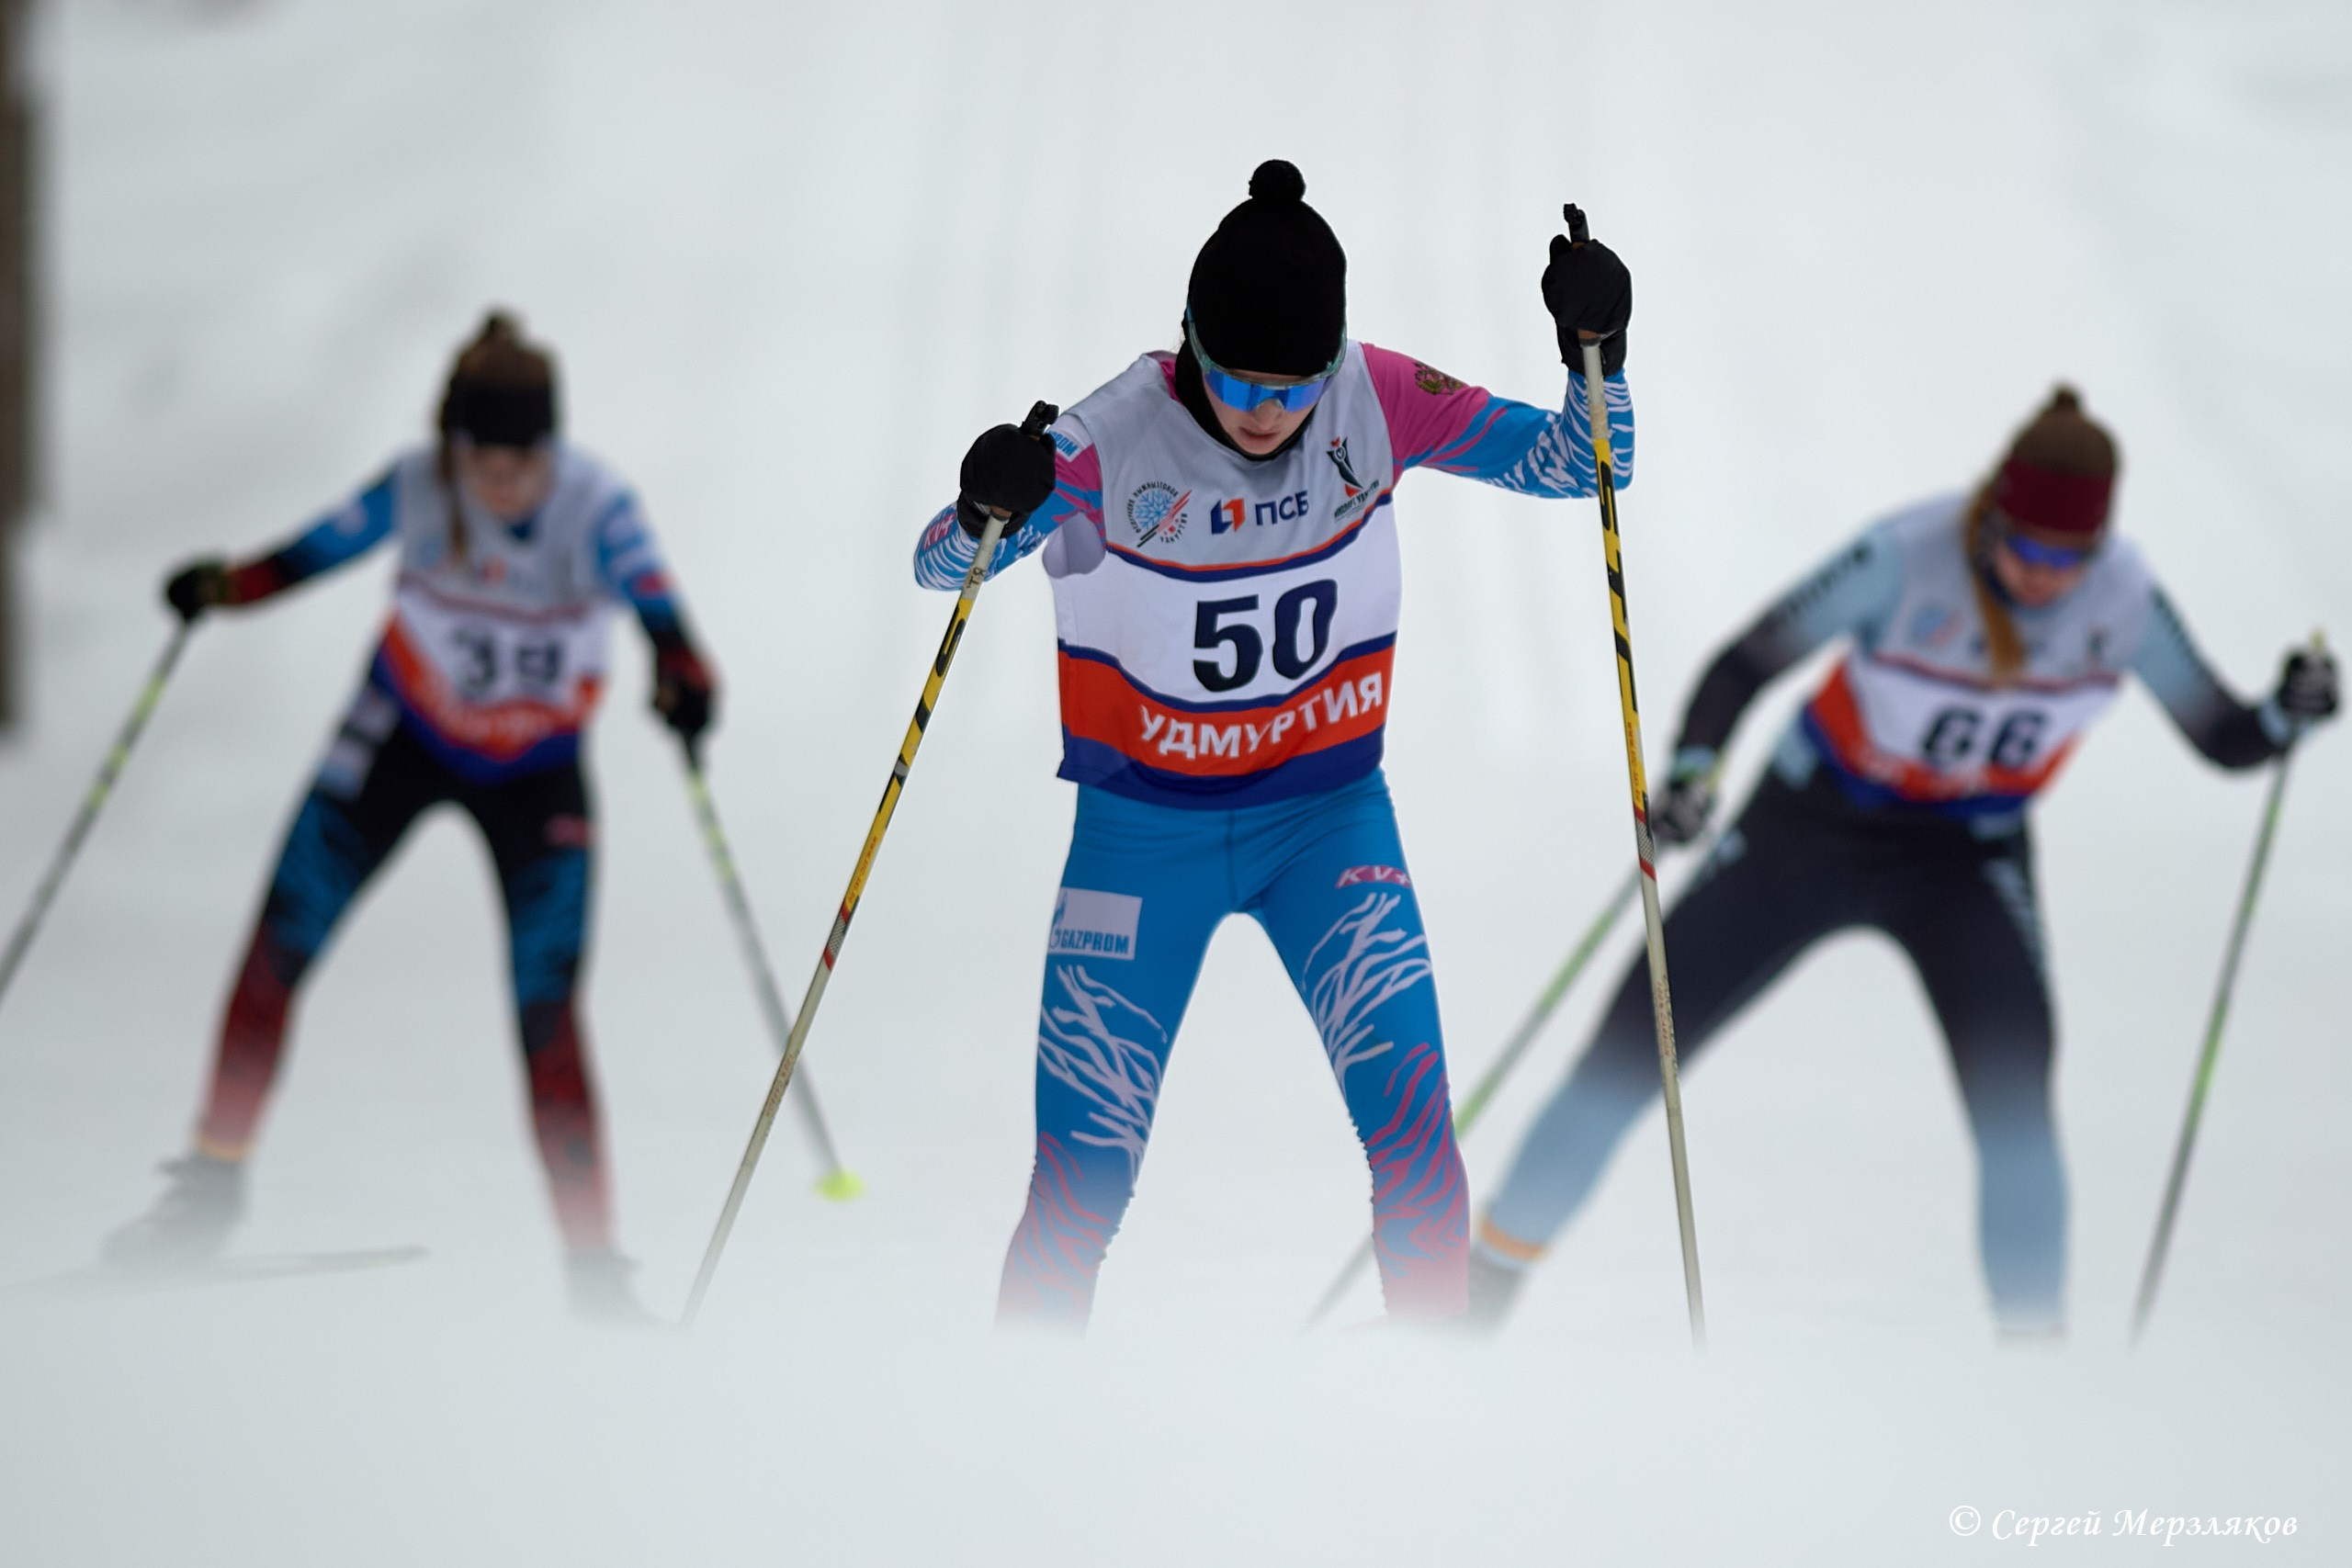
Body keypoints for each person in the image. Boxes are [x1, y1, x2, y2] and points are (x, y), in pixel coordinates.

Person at [915, 161, 1638, 1327]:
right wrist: (984, 504)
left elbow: (1585, 466)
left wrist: (1594, 352)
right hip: (1143, 840)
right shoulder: (1107, 440)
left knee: (1414, 1138)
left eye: (1293, 386)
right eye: (1234, 378)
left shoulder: (1377, 395)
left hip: (1326, 822)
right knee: (1083, 1180)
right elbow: (943, 567)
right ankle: (1016, 1434)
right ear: (1187, 339)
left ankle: (1440, 1426)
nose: (1265, 410)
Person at [1469, 386, 2339, 1337]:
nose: (2046, 576)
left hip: (1966, 855)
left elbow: (2222, 737)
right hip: (1811, 825)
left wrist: (2283, 715)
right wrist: (1690, 773)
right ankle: (1473, 1298)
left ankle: (2034, 1360)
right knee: (1633, 1046)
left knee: (2015, 1092)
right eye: (2027, 548)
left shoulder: (2123, 597)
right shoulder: (1906, 555)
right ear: (1989, 517)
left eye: (2069, 558)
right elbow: (1743, 665)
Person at [103, 312, 718, 1319]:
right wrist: (221, 587)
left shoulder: (597, 505)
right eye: (485, 460)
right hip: (397, 738)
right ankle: (203, 1197)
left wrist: (683, 683)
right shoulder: (416, 484)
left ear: (551, 452)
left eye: (525, 462)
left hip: (537, 773)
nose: (504, 484)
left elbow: (667, 624)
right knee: (277, 948)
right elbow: (301, 559)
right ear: (454, 446)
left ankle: (595, 1272)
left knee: (546, 1011)